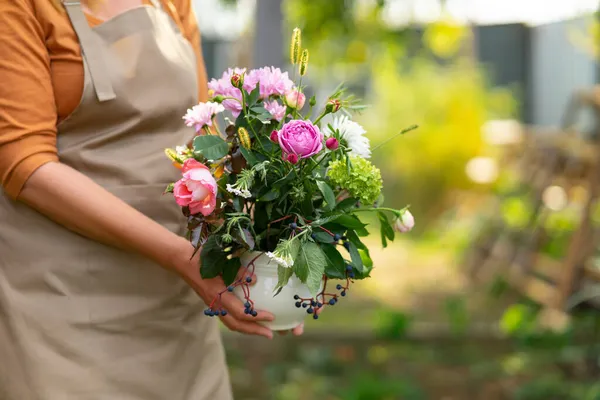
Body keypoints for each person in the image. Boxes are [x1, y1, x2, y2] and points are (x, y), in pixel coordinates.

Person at [0, 1, 303, 398]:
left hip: (176, 303)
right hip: (62, 305)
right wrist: (180, 257)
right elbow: (24, 161)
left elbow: (200, 133)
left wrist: (261, 243)